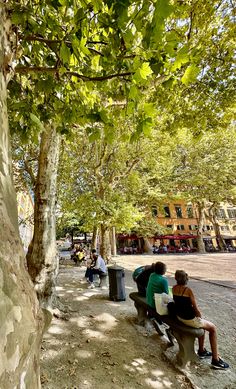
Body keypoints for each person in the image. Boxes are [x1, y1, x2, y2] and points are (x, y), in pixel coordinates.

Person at [172, 270, 229, 370]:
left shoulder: (174, 288)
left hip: (179, 317)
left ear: (176, 278)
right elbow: (196, 309)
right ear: (186, 279)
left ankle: (202, 351)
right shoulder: (188, 290)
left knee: (202, 326)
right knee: (212, 328)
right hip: (189, 319)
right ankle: (215, 360)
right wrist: (199, 317)